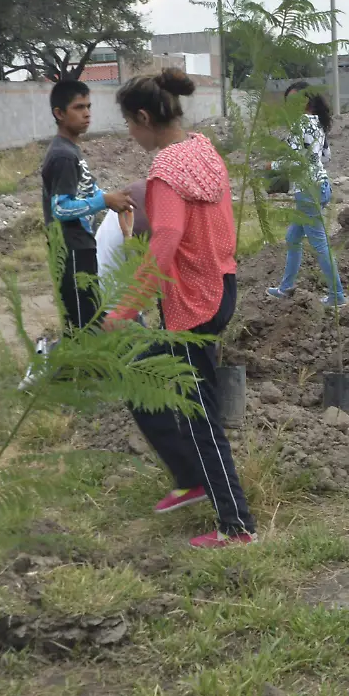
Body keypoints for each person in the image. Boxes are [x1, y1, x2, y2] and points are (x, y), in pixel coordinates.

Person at [107, 69, 256, 549]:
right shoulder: (203, 149)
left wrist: (125, 310)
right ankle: (193, 480)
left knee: (199, 414)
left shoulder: (166, 171)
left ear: (146, 117)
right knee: (160, 385)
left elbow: (164, 241)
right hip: (221, 283)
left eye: (129, 124)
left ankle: (236, 526)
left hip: (193, 301)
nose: (129, 134)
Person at [40, 79, 133, 333]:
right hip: (69, 250)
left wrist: (116, 202)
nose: (87, 113)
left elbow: (87, 192)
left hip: (82, 246)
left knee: (90, 314)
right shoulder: (62, 155)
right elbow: (61, 208)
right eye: (79, 107)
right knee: (82, 323)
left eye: (89, 106)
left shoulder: (72, 151)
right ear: (59, 113)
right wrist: (104, 201)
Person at [265, 82, 345, 308]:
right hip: (318, 186)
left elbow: (294, 159)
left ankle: (337, 295)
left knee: (320, 244)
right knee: (292, 239)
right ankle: (285, 287)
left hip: (308, 190)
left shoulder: (301, 123)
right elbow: (326, 156)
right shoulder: (318, 123)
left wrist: (273, 164)